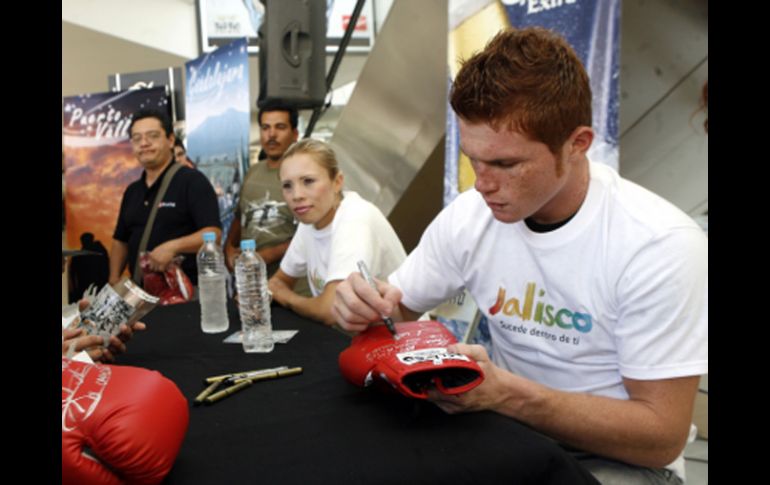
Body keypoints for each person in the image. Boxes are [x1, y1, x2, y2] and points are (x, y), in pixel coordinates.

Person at [332, 27, 707, 485]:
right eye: (473, 159)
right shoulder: (472, 216)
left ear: (577, 144)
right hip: (508, 431)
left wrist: (509, 397)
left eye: (506, 164)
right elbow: (396, 309)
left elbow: (660, 436)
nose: (483, 184)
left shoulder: (658, 244)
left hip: (623, 462)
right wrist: (364, 307)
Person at [269, 139, 406, 327]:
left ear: (337, 182)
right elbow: (278, 281)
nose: (297, 195)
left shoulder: (355, 218)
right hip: (359, 341)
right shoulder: (310, 218)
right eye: (287, 185)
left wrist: (287, 298)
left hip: (403, 343)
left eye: (308, 181)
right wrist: (279, 291)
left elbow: (330, 310)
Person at [109, 109, 221, 287]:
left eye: (152, 136)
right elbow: (120, 240)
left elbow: (213, 235)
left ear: (170, 140)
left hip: (183, 293)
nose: (144, 143)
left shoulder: (192, 181)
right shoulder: (132, 191)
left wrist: (173, 246)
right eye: (137, 138)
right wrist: (114, 278)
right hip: (140, 295)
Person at [224, 104, 300, 277]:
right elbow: (240, 217)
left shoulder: (304, 175)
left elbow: (314, 233)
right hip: (251, 285)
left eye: (280, 127)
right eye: (265, 128)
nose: (271, 134)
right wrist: (228, 248)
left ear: (295, 134)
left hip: (291, 287)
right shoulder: (253, 172)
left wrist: (269, 255)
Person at [68, 232, 109, 302]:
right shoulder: (100, 251)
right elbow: (72, 272)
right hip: (88, 289)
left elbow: (72, 272)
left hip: (95, 287)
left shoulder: (78, 256)